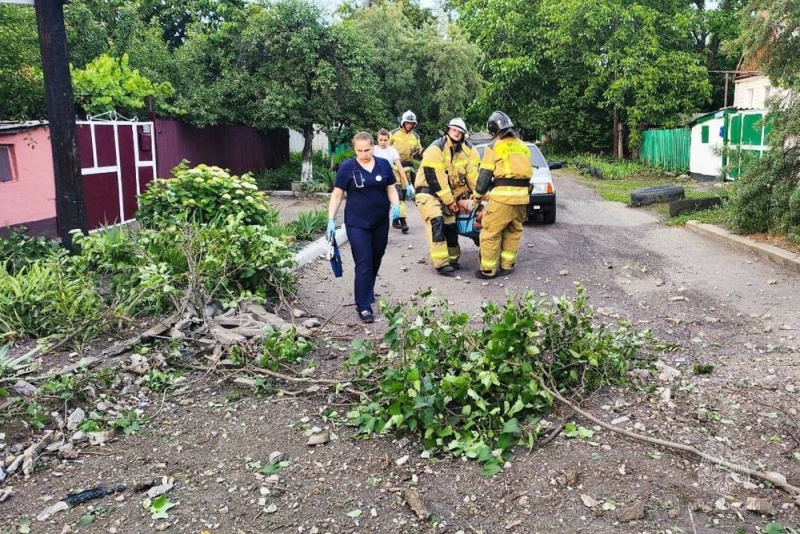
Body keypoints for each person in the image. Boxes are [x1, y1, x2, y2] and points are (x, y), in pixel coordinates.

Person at [327, 132, 401, 324]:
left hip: (379, 222)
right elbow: (337, 195)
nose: (364, 154)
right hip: (357, 223)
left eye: (367, 150)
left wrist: (396, 205)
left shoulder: (383, 165)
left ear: (373, 147)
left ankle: (368, 290)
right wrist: (330, 220)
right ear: (355, 149)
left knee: (376, 258)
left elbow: (391, 188)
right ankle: (363, 306)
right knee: (364, 262)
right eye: (359, 151)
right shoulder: (347, 168)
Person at [472, 111, 533, 279]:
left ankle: (488, 270)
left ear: (493, 131)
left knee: (490, 232)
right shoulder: (523, 146)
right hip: (522, 198)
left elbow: (484, 176)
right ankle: (507, 265)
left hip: (502, 199)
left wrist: (477, 197)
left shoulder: (493, 147)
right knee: (513, 231)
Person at [415, 117, 480, 275]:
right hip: (428, 194)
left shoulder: (464, 152)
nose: (457, 133)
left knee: (450, 226)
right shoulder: (435, 149)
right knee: (437, 221)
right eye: (454, 130)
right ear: (447, 130)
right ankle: (440, 263)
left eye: (460, 132)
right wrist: (450, 202)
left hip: (446, 196)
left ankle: (452, 259)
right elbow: (435, 179)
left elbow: (472, 177)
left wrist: (479, 194)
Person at [374, 128, 414, 233]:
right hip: (376, 179)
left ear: (388, 140)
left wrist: (408, 183)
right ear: (377, 139)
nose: (383, 142)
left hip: (389, 178)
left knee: (399, 198)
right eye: (381, 140)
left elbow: (400, 168)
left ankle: (403, 222)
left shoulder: (392, 151)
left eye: (385, 140)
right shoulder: (373, 150)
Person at [390, 110, 424, 231]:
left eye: (411, 123)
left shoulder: (415, 136)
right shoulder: (393, 133)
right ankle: (403, 221)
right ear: (403, 123)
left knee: (402, 195)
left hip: (407, 170)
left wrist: (421, 152)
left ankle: (395, 219)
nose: (409, 125)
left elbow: (418, 153)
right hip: (394, 168)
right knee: (398, 193)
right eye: (407, 123)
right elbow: (385, 148)